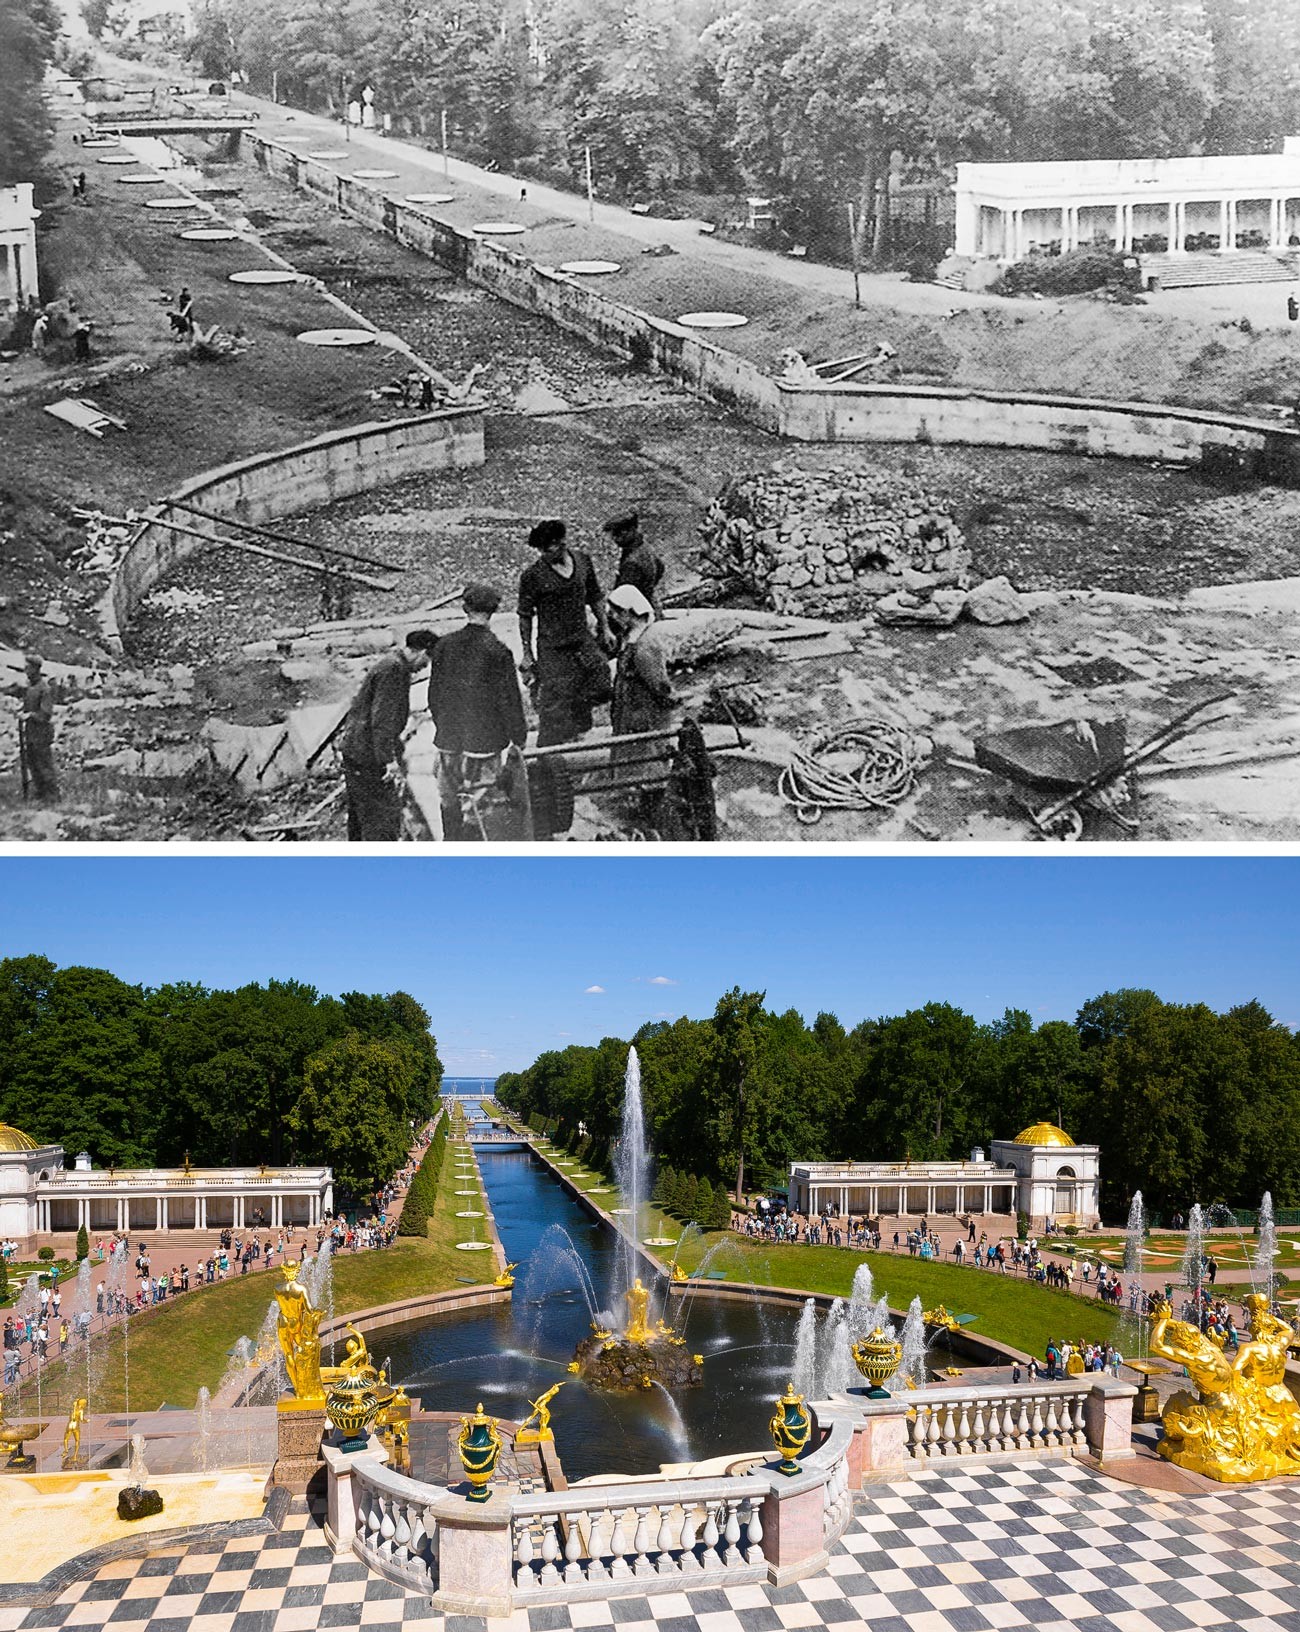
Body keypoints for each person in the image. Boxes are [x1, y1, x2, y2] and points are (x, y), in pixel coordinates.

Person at [426, 582, 528, 839]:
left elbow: (434, 695)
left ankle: (450, 846)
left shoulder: (444, 646)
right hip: (483, 742)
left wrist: (442, 725)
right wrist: (519, 737)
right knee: (479, 806)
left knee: (448, 798)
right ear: (494, 611)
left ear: (464, 608)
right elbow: (510, 701)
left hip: (449, 738)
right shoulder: (499, 652)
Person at [517, 520, 611, 746]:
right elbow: (525, 616)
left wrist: (605, 627)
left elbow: (596, 596)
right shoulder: (533, 576)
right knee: (555, 699)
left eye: (552, 547)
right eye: (543, 550)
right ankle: (550, 750)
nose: (547, 553)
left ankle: (579, 731)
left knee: (599, 684)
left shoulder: (582, 561)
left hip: (581, 639)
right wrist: (527, 653)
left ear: (561, 543)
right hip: (553, 647)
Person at [339, 629, 438, 840]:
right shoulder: (394, 670)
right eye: (427, 660)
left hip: (357, 751)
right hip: (369, 756)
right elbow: (382, 720)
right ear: (421, 652)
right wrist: (389, 761)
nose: (424, 667)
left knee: (361, 816)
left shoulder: (391, 664)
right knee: (382, 819)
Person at [8, 653, 59, 800]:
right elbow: (28, 705)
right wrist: (20, 710)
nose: (25, 670)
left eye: (28, 667)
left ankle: (52, 796)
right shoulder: (31, 688)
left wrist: (30, 715)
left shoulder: (45, 689)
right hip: (31, 732)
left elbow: (45, 714)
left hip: (42, 732)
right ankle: (40, 793)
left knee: (44, 764)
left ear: (36, 669)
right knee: (33, 764)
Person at [605, 512, 665, 615]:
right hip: (651, 604)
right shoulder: (645, 548)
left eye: (619, 534)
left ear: (630, 531)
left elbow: (623, 598)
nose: (615, 539)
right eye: (613, 534)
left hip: (639, 614)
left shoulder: (632, 564)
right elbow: (660, 567)